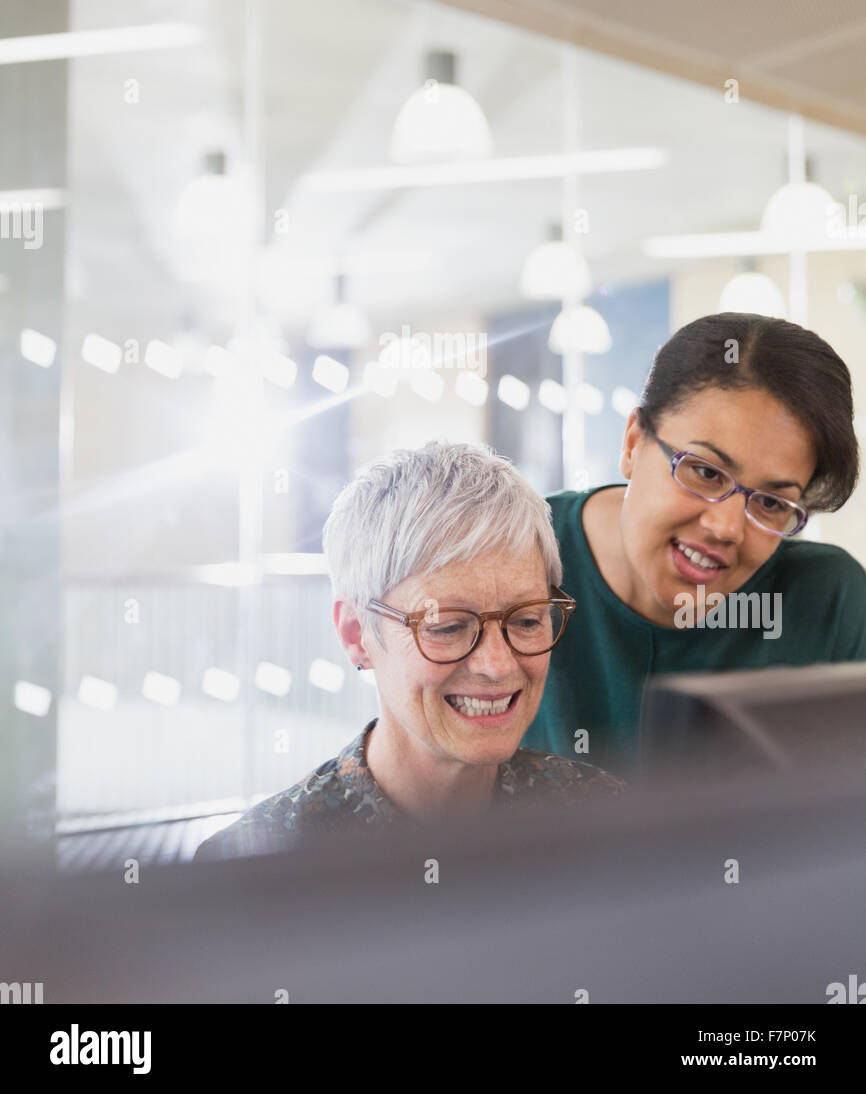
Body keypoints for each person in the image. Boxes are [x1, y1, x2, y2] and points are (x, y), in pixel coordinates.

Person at [195, 441, 624, 861]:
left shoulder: (602, 819)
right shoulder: (255, 866)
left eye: (526, 621)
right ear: (355, 633)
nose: (496, 664)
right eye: (448, 627)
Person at [521, 312, 866, 775]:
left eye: (770, 503)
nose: (726, 528)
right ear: (633, 441)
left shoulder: (827, 602)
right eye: (704, 472)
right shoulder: (521, 555)